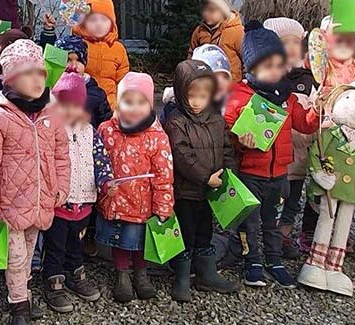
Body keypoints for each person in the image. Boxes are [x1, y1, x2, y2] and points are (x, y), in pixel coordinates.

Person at [0, 39, 70, 324]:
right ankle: (19, 305)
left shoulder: (51, 112)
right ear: (13, 79)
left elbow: (61, 154)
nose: (37, 80)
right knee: (15, 256)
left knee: (29, 252)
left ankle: (22, 293)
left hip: (41, 199)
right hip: (11, 201)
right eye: (28, 74)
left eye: (40, 73)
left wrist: (61, 187)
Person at [224, 21, 319, 289]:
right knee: (250, 222)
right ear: (251, 68)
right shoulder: (239, 94)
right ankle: (252, 261)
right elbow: (227, 127)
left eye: (278, 66)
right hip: (251, 172)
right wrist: (238, 137)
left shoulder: (287, 96)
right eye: (267, 67)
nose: (274, 72)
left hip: (279, 173)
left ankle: (274, 261)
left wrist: (317, 110)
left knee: (272, 221)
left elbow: (304, 123)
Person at [164, 60, 239, 302]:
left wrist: (228, 175)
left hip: (211, 190)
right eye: (192, 95)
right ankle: (182, 277)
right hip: (186, 191)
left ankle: (206, 273)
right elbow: (182, 155)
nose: (197, 101)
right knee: (186, 232)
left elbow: (227, 148)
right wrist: (206, 177)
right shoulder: (176, 121)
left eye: (203, 95)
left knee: (205, 231)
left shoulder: (216, 118)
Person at [96, 73, 174, 304]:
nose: (135, 108)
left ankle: (141, 274)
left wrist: (163, 205)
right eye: (129, 102)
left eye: (142, 103)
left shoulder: (157, 136)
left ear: (150, 105)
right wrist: (102, 186)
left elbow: (163, 174)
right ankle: (122, 275)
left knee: (140, 241)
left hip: (143, 202)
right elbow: (98, 161)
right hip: (115, 198)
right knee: (119, 239)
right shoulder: (106, 130)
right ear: (118, 103)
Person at [41, 70, 112, 313]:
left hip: (85, 201)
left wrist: (105, 181)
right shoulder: (50, 131)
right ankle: (54, 280)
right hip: (60, 202)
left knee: (77, 243)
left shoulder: (90, 131)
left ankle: (76, 273)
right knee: (56, 245)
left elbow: (101, 159)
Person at [263, 17, 318, 259]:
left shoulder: (307, 80)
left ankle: (283, 237)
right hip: (272, 159)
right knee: (271, 201)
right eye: (286, 42)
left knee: (292, 201)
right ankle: (264, 238)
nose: (293, 48)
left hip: (299, 156)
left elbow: (310, 120)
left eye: (297, 42)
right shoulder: (266, 79)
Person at [72, 0, 130, 109]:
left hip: (110, 105)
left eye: (104, 20)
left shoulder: (118, 49)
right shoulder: (77, 45)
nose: (99, 24)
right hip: (83, 103)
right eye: (93, 20)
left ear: (112, 22)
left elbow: (123, 81)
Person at [188, 0, 244, 82]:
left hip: (232, 85)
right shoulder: (199, 31)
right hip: (205, 84)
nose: (206, 14)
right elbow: (191, 55)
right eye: (204, 10)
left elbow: (247, 59)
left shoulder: (237, 32)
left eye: (211, 10)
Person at [54, 35, 113, 128]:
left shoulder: (96, 94)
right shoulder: (49, 91)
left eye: (79, 60)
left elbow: (105, 126)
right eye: (67, 60)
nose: (73, 66)